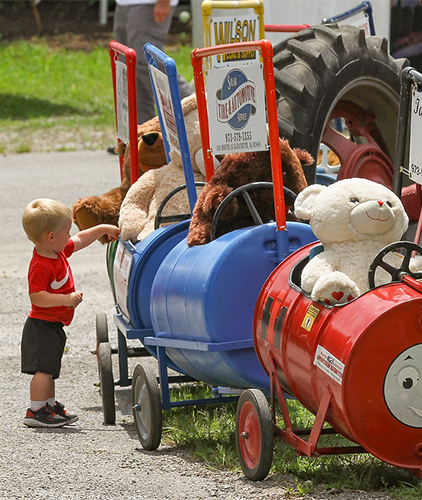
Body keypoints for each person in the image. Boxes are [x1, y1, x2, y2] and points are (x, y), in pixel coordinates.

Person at [21, 198, 120, 428]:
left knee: (50, 369)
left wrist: (103, 229)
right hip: (41, 326)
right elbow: (37, 296)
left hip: (53, 324)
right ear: (51, 237)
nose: (70, 235)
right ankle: (36, 410)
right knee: (43, 371)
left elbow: (80, 239)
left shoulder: (57, 251)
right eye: (66, 231)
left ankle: (48, 405)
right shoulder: (41, 265)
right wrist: (66, 299)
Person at [113, 0, 193, 125]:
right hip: (124, 4)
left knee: (148, 61)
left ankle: (195, 110)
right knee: (129, 67)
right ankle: (145, 135)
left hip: (149, 4)